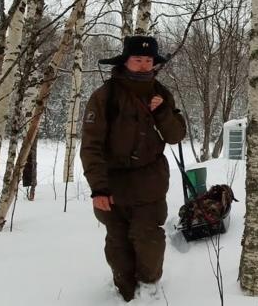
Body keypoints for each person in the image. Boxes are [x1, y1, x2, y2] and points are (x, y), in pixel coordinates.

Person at [80, 35, 186, 302]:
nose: (143, 65)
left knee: (148, 239)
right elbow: (91, 146)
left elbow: (175, 136)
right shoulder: (105, 96)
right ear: (126, 60)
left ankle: (149, 290)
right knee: (118, 243)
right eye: (137, 60)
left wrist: (162, 112)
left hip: (150, 182)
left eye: (148, 60)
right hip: (112, 185)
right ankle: (124, 294)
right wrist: (99, 189)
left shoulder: (161, 93)